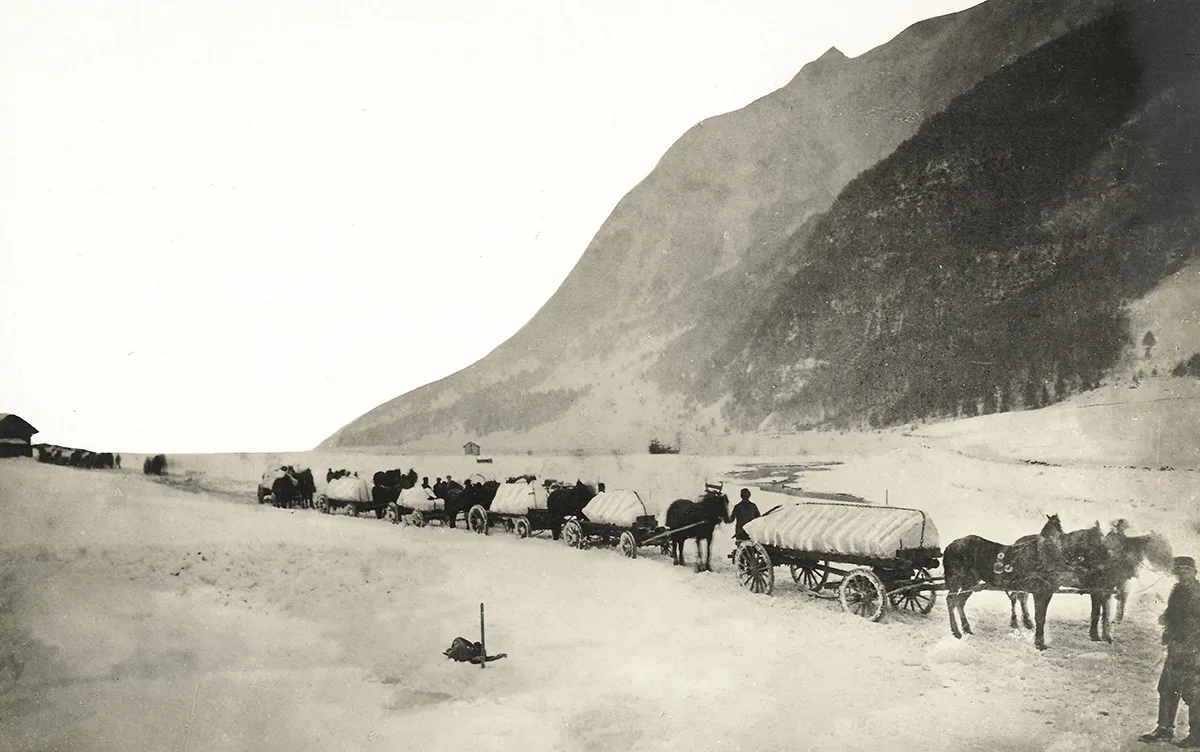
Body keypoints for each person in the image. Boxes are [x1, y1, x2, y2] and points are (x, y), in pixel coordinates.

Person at [1141, 556, 1200, 746]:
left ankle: (1197, 735)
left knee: (1193, 692)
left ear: (1193, 572)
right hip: (1177, 646)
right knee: (1167, 687)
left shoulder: (1197, 592)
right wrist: (1166, 621)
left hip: (1193, 648)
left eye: (1185, 570)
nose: (1181, 574)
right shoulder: (1178, 589)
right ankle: (1164, 729)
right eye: (1178, 571)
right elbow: (1173, 612)